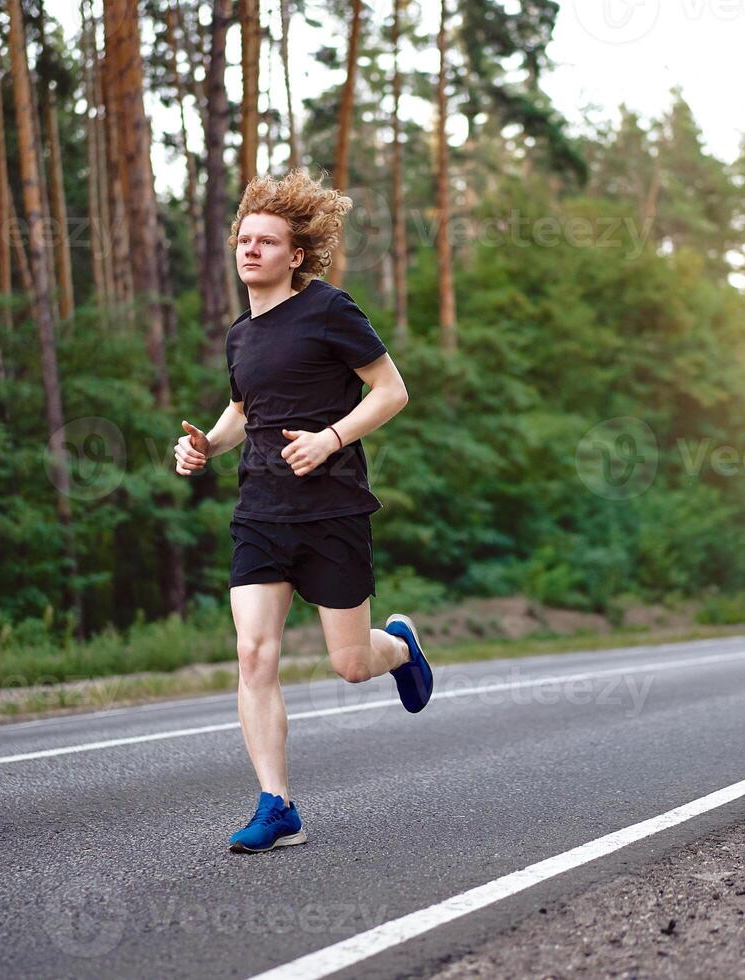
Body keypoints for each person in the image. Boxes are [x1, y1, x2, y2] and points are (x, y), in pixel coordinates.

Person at [172, 168, 434, 853]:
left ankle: (401, 648)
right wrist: (206, 443)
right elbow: (241, 412)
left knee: (350, 664)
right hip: (260, 509)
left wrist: (331, 438)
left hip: (332, 509)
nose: (250, 250)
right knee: (253, 654)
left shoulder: (328, 310)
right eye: (244, 239)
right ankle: (277, 804)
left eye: (267, 241)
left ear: (297, 254)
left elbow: (391, 390)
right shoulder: (239, 336)